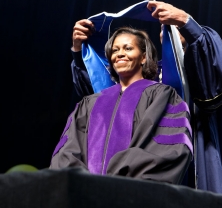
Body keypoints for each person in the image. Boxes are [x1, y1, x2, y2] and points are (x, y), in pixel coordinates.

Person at [70, 1, 222, 194]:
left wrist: (187, 22)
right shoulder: (145, 80)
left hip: (188, 168)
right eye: (166, 26)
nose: (170, 28)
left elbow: (218, 72)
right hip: (139, 174)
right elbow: (98, 96)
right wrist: (81, 51)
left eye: (176, 25)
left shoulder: (199, 73)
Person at [51, 27, 192, 184]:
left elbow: (169, 150)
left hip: (131, 195)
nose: (120, 54)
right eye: (115, 50)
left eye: (128, 48)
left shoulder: (161, 96)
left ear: (144, 57)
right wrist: (81, 185)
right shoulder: (90, 103)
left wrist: (118, 185)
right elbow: (67, 151)